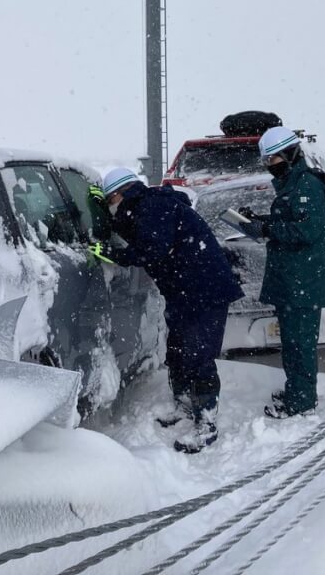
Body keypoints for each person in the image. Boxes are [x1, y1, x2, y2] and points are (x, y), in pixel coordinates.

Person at [89, 167, 242, 453]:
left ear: (122, 193)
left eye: (110, 200)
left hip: (204, 291)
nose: (110, 206)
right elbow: (138, 230)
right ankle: (184, 407)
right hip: (185, 291)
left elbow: (151, 248)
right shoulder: (144, 206)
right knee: (178, 351)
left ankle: (206, 424)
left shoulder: (154, 206)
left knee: (198, 356)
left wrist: (112, 254)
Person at [232, 127, 325, 419]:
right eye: (266, 161)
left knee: (300, 345)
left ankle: (302, 400)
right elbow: (289, 220)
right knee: (291, 342)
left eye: (274, 158)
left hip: (303, 281)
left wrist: (266, 229)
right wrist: (258, 220)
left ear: (291, 153)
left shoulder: (307, 185)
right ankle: (297, 390)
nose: (270, 165)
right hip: (291, 281)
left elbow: (307, 230)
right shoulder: (293, 183)